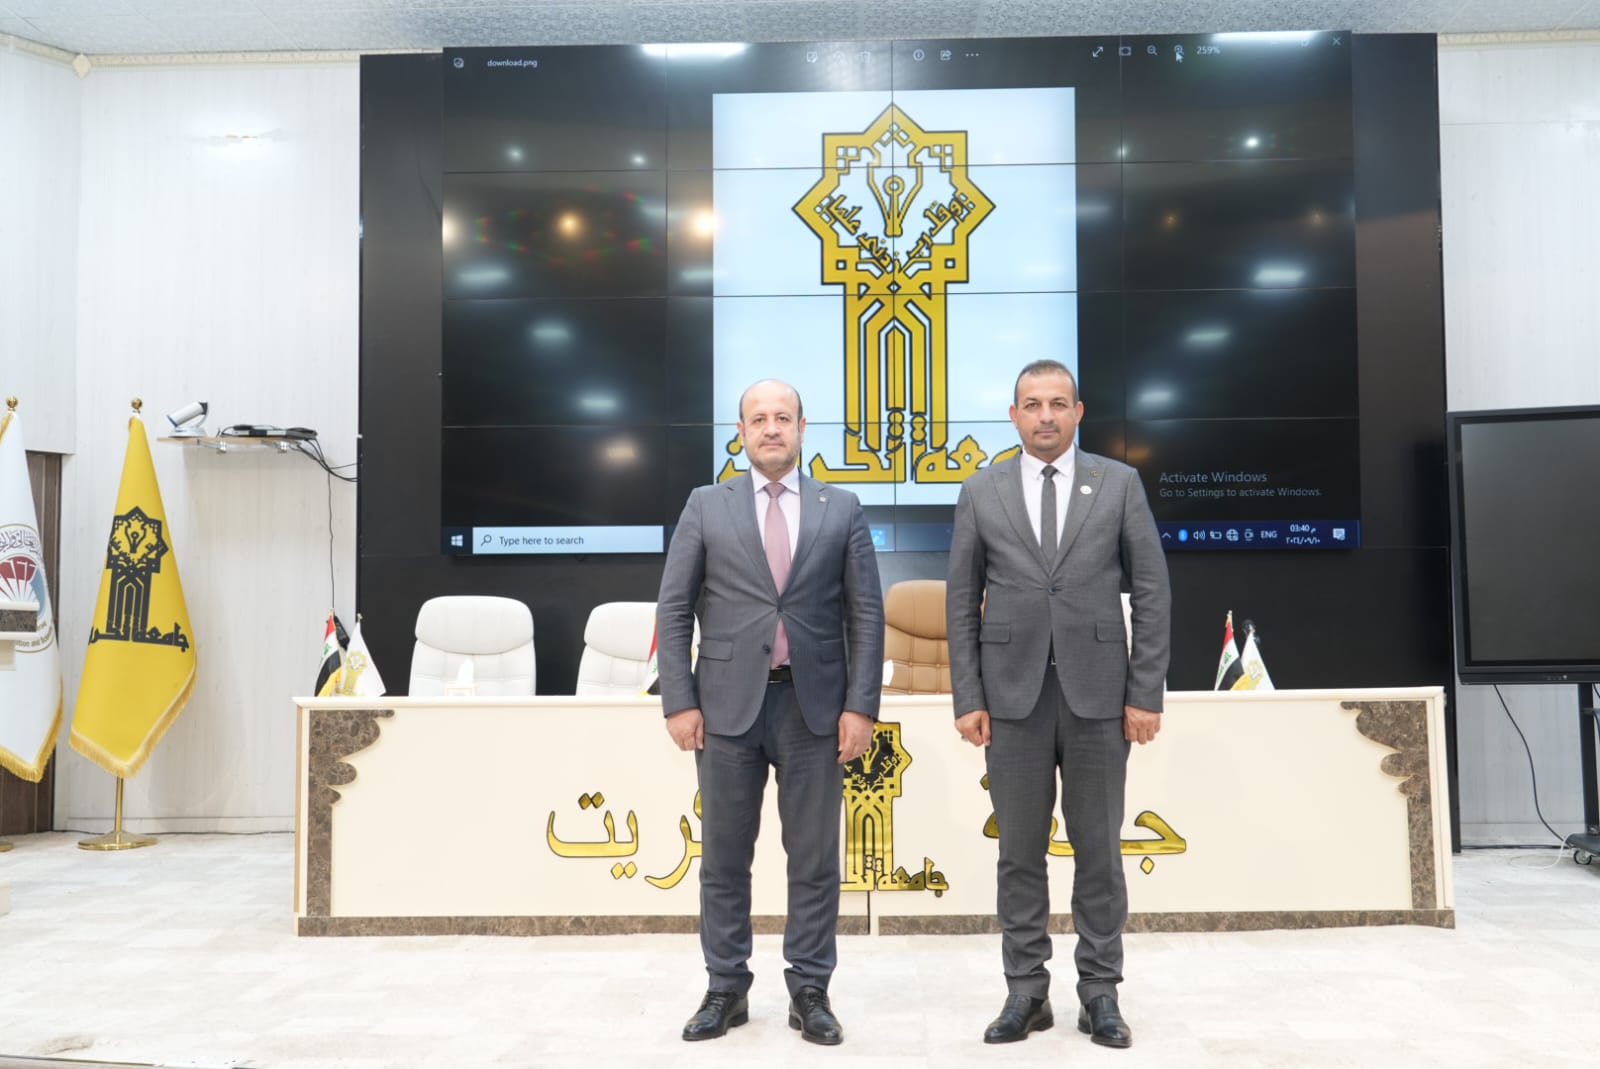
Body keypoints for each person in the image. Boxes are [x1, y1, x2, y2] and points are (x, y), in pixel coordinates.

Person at [946, 359, 1171, 1048]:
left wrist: (1144, 691)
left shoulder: (1119, 483)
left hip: (1100, 695)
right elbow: (961, 599)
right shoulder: (981, 489)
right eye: (1032, 404)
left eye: (1058, 403)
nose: (1045, 415)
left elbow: (1152, 590)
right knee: (1019, 853)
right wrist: (968, 694)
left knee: (1099, 851)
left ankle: (1100, 992)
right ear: (1014, 415)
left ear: (1078, 412)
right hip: (1010, 698)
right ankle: (1026, 991)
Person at [656, 378, 885, 1046]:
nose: (771, 428)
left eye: (782, 417)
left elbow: (866, 615)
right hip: (725, 710)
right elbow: (674, 608)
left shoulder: (842, 508)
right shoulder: (706, 505)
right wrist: (679, 700)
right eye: (758, 418)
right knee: (724, 859)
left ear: (803, 427)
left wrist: (861, 707)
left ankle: (810, 988)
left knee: (813, 859)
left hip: (815, 709)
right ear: (741, 431)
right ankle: (725, 986)